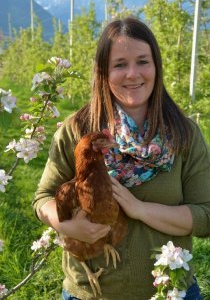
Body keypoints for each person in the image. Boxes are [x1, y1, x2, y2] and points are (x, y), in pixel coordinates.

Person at [33, 17, 210, 300]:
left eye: (142, 61)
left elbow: (206, 215)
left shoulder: (184, 134)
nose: (132, 74)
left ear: (156, 67)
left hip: (170, 291)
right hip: (91, 293)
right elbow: (42, 199)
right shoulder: (76, 130)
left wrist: (139, 209)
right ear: (103, 72)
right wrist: (67, 225)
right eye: (119, 64)